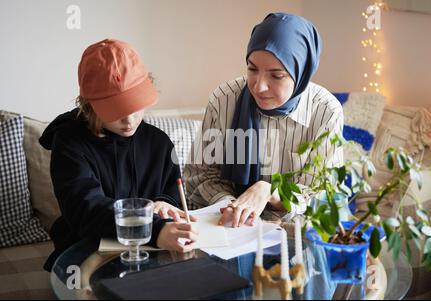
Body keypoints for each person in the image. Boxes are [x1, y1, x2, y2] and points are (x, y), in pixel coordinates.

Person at [40, 39, 197, 271]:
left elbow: (172, 191)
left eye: (135, 106)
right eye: (117, 111)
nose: (129, 120)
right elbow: (86, 208)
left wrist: (165, 203)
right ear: (88, 105)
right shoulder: (70, 144)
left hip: (152, 255)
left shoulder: (159, 142)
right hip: (85, 251)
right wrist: (154, 229)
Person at [185, 13, 344, 228]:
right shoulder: (224, 99)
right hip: (231, 227)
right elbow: (200, 176)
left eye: (276, 76)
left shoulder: (326, 111)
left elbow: (322, 193)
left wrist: (269, 193)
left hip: (295, 231)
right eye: (252, 69)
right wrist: (234, 206)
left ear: (301, 72)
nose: (258, 86)